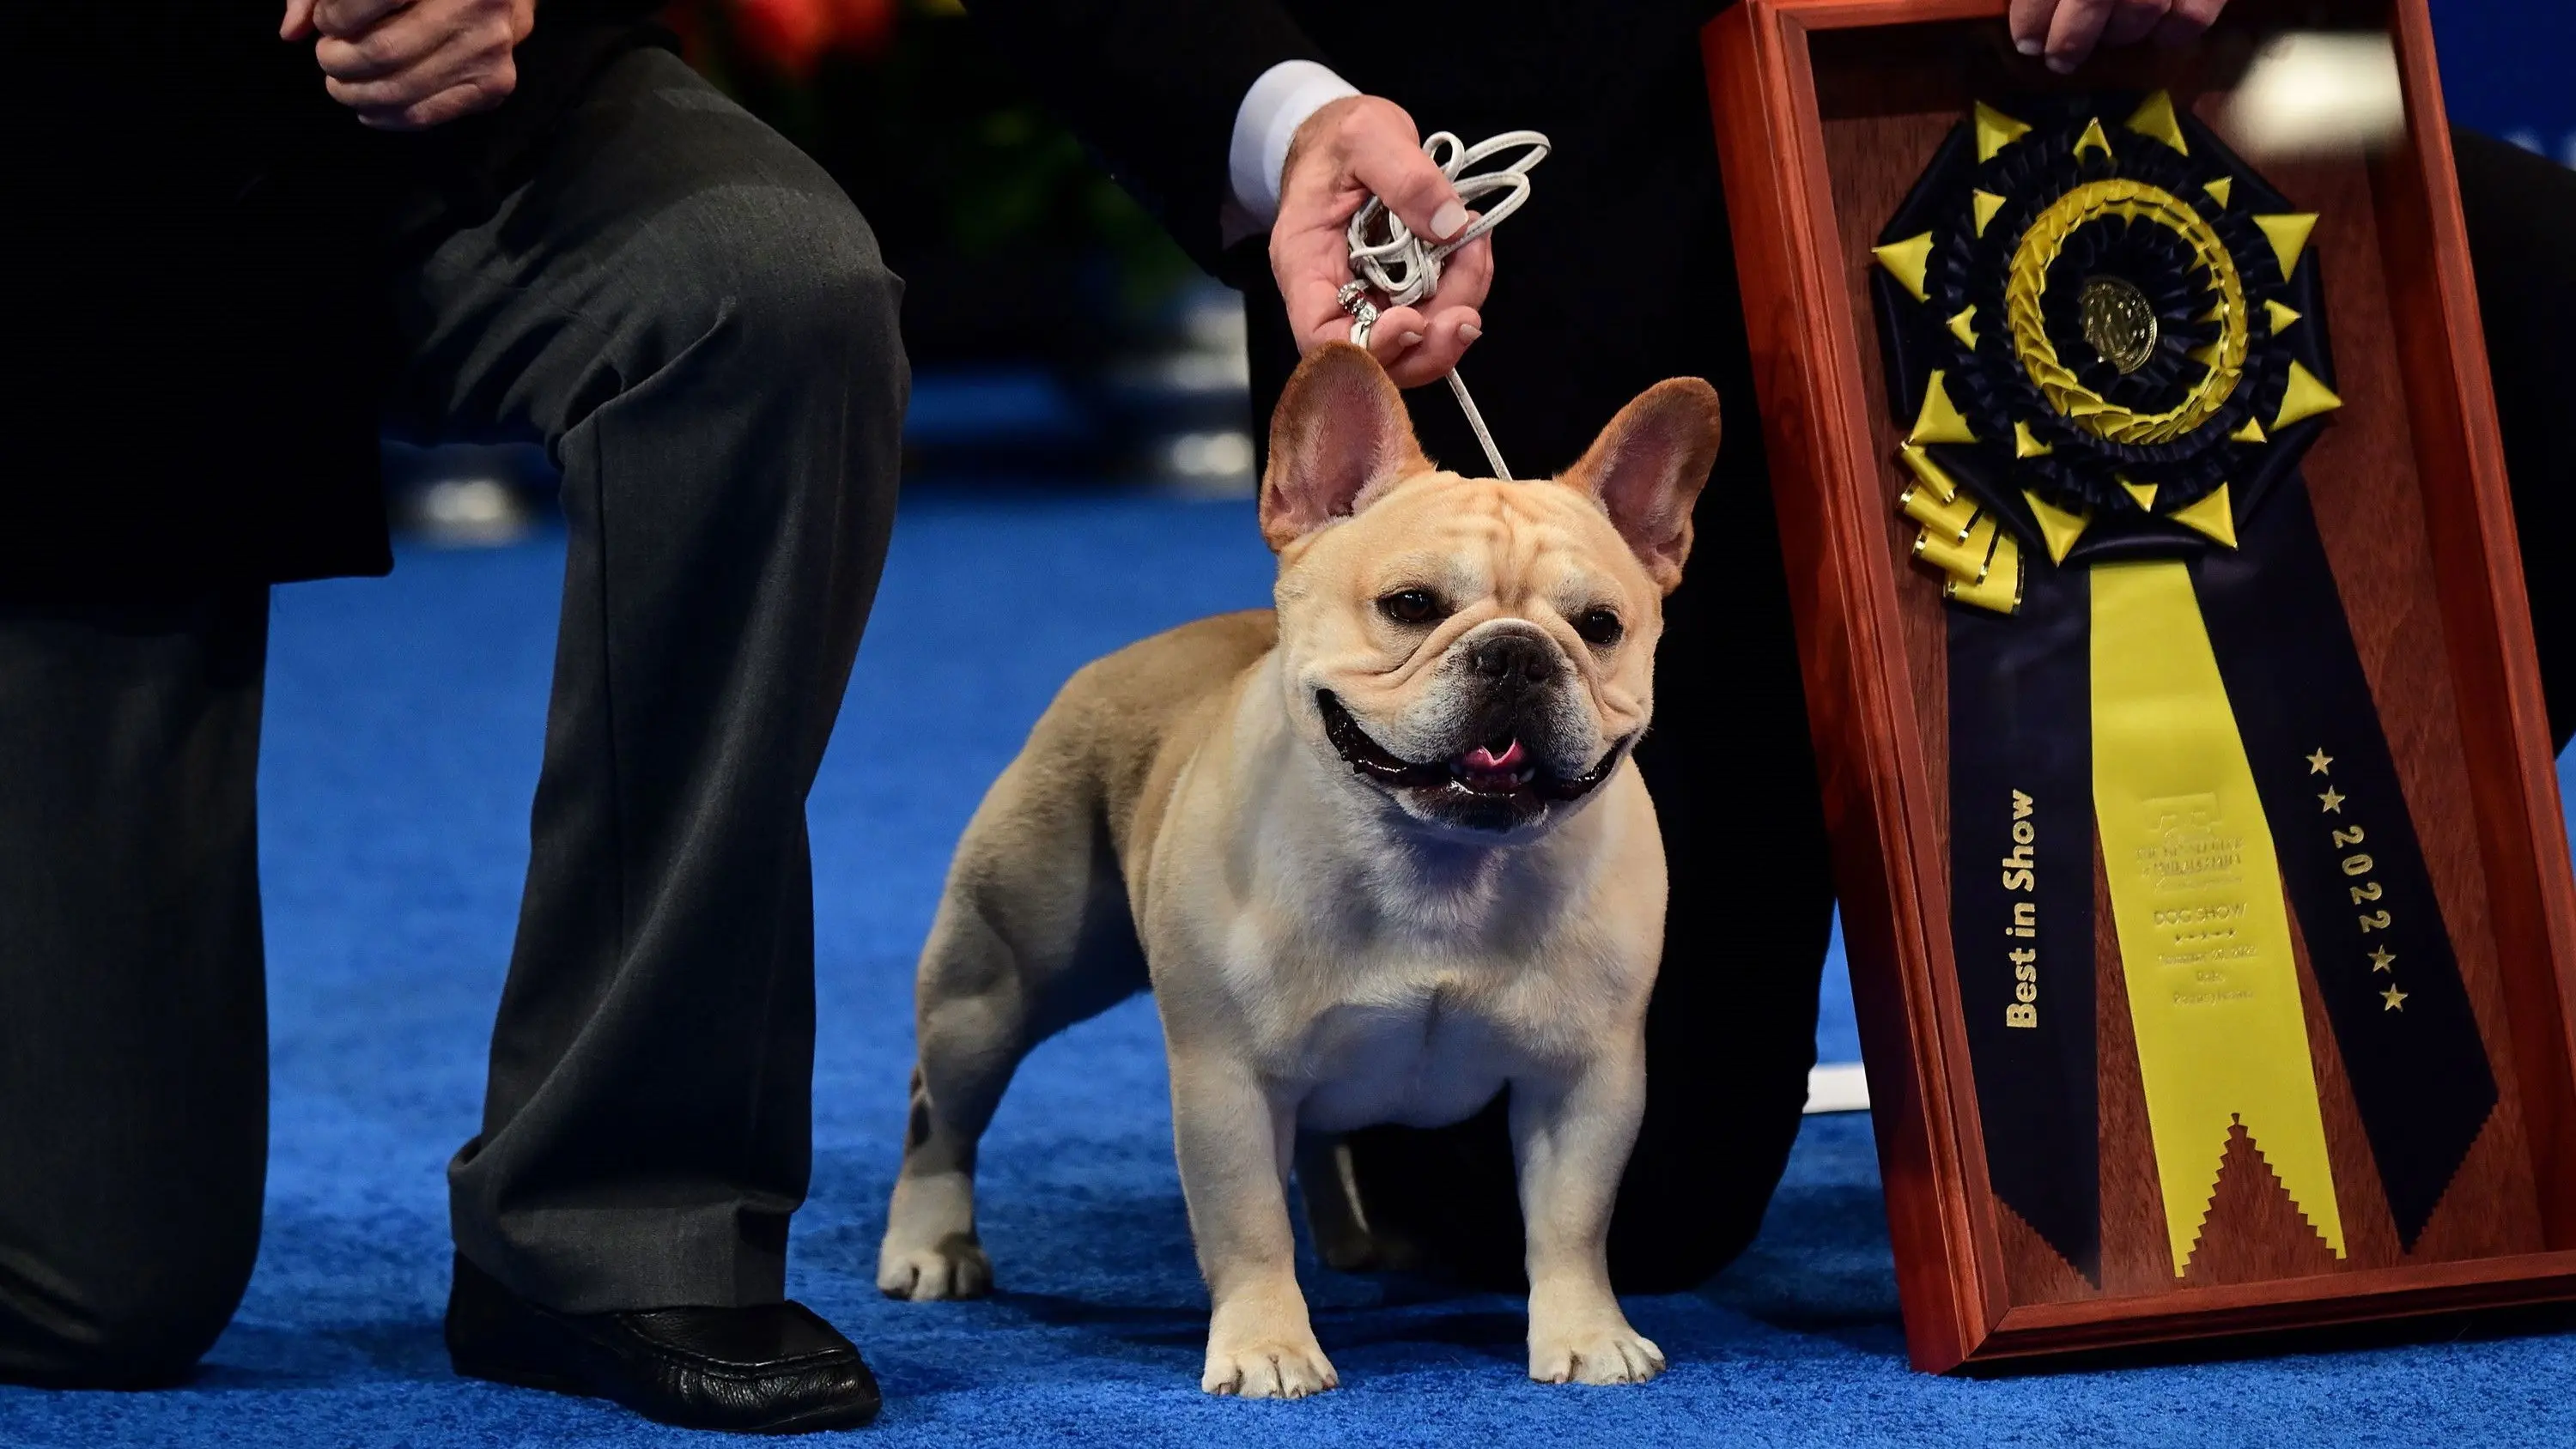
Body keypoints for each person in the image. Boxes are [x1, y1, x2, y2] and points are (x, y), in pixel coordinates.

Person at [965, 0, 2576, 1289]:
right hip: (1537, 164)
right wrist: (1281, 104)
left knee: (2542, 290)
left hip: (2085, 75)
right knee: (1642, 1215)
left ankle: (2352, 1003)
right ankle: (1365, 1100)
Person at [0, 2, 903, 1433]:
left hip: (425, 117)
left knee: (762, 288)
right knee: (96, 1287)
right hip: (56, 176)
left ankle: (618, 1218)